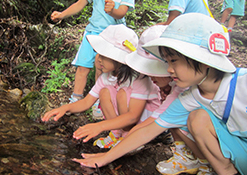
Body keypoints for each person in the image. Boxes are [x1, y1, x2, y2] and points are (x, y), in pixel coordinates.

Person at [72, 13, 246, 175]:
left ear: (202, 59)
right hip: (236, 154)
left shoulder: (242, 84)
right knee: (198, 118)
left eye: (174, 62)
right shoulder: (190, 98)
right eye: (167, 62)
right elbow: (148, 130)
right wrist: (106, 158)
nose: (169, 69)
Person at [50, 0, 144, 118]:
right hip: (92, 34)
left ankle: (100, 104)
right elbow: (79, 4)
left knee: (104, 69)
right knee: (83, 67)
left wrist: (112, 10)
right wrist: (61, 15)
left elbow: (122, 12)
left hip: (113, 39)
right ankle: (76, 99)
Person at [42, 24, 160, 149]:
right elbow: (87, 102)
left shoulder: (138, 79)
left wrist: (100, 126)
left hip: (145, 120)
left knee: (121, 94)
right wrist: (65, 108)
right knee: (104, 92)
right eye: (99, 55)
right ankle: (116, 133)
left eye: (103, 56)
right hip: (127, 114)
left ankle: (128, 136)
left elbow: (133, 116)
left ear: (118, 59)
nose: (98, 59)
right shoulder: (106, 78)